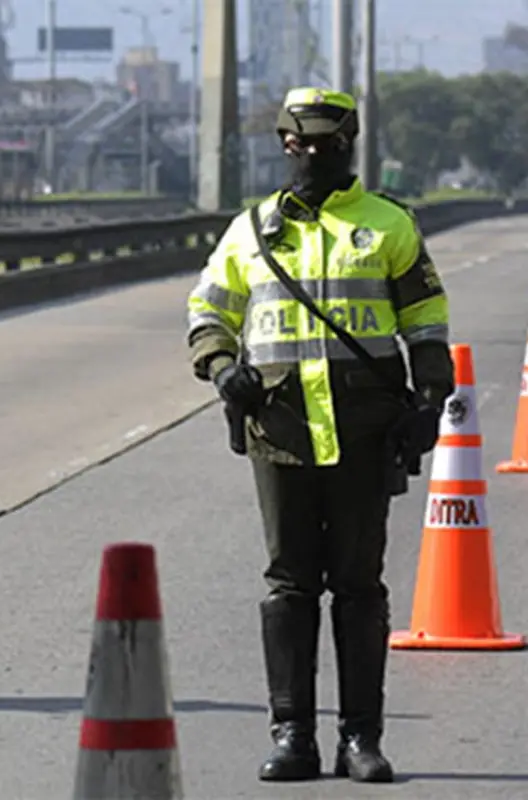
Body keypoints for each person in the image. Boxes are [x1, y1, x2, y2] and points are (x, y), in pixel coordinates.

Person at [185, 88, 454, 784]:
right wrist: (220, 368)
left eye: (325, 146)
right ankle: (293, 736)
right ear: (282, 146)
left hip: (366, 431)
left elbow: (425, 320)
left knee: (359, 585)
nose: (309, 157)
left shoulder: (387, 225)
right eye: (298, 145)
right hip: (280, 429)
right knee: (289, 584)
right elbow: (209, 309)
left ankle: (360, 739)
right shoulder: (251, 230)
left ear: (348, 146)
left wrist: (430, 398)